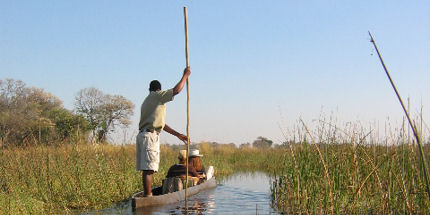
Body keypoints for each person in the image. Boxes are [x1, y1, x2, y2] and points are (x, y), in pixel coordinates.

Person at [136, 67, 191, 197]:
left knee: (146, 169)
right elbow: (176, 91)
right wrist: (185, 76)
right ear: (159, 90)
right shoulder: (157, 96)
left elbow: (161, 124)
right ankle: (148, 197)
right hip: (149, 136)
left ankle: (146, 195)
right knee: (149, 169)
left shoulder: (147, 101)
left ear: (149, 89)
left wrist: (177, 134)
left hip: (143, 135)